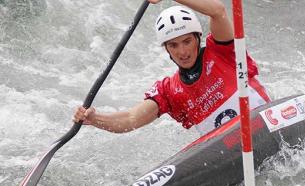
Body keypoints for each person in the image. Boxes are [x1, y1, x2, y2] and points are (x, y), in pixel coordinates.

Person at [73, 0, 271, 135]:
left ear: (197, 38)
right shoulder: (169, 90)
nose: (182, 51)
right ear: (166, 49)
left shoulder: (223, 52)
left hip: (266, 124)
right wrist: (95, 118)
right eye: (173, 45)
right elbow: (131, 119)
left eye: (186, 41)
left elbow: (217, 11)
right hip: (227, 151)